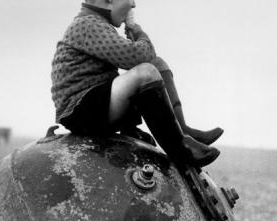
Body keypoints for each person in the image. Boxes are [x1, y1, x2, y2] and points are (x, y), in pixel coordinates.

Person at [51, 0, 223, 167]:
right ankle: (180, 149)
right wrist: (136, 30)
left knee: (157, 65)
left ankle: (182, 130)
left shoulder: (96, 23)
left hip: (93, 103)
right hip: (79, 110)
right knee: (146, 73)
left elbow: (146, 58)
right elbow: (139, 57)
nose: (133, 4)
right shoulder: (87, 25)